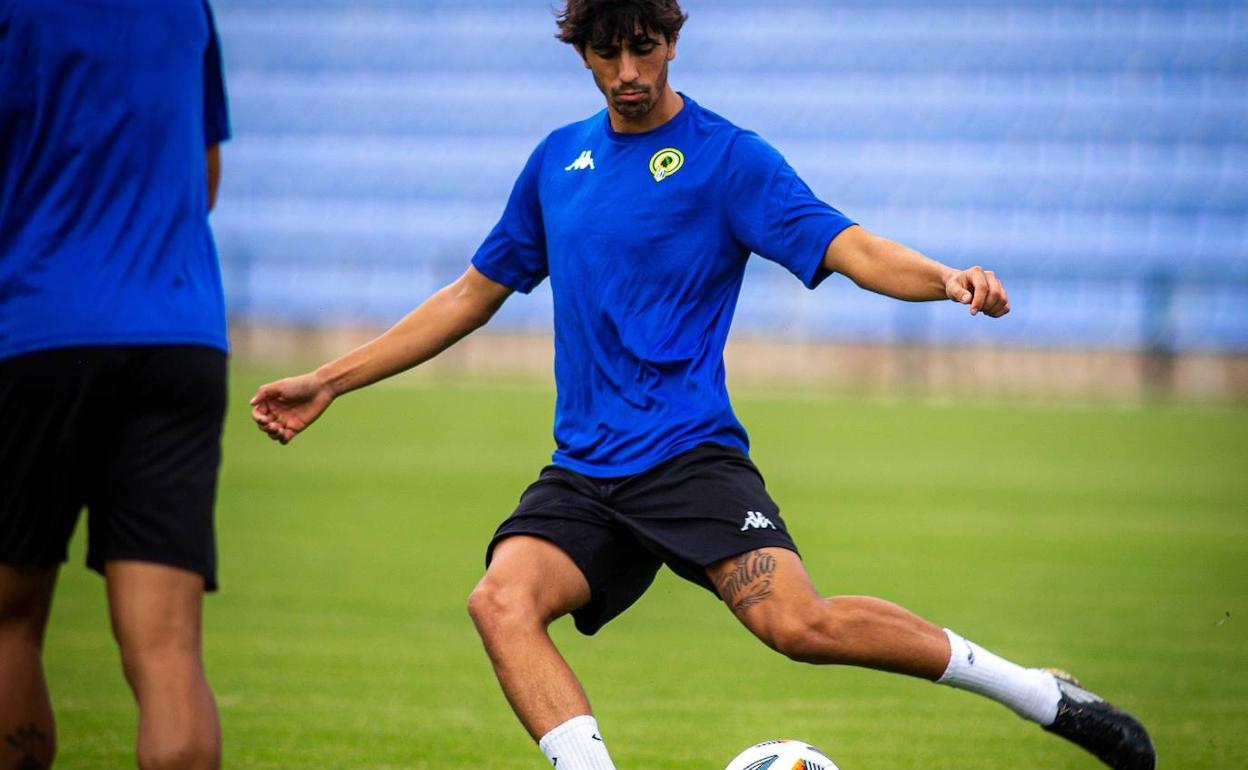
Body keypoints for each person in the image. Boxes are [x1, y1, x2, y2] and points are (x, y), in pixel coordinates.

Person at [250, 1, 1155, 768]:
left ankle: (1040, 696)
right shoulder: (556, 163)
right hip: (586, 471)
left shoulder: (729, 158)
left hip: (689, 456)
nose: (627, 70)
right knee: (500, 600)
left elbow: (850, 247)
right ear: (583, 51)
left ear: (672, 40)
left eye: (644, 46)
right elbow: (469, 296)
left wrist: (946, 277)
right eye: (607, 51)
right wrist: (331, 380)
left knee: (798, 628)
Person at [0, 1, 231, 768]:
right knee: (167, 649)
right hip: (179, 331)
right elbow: (203, 177)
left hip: (34, 328)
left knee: (9, 623)